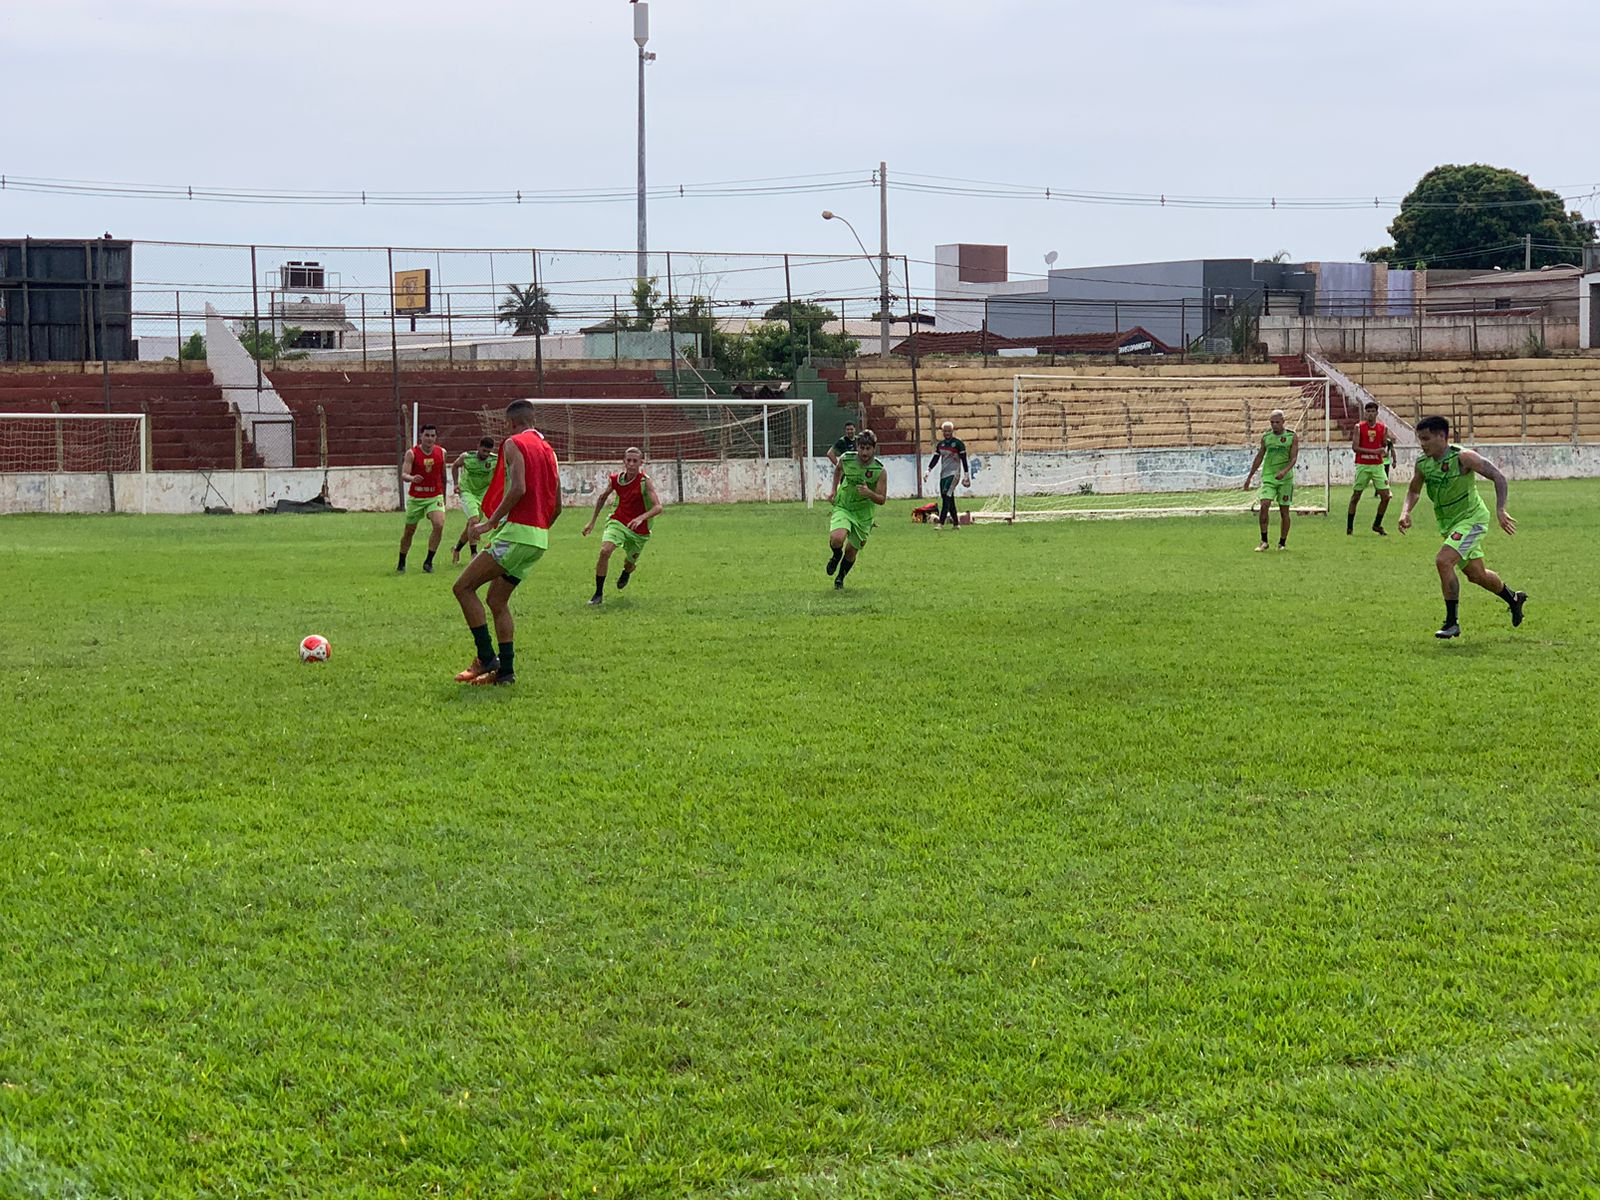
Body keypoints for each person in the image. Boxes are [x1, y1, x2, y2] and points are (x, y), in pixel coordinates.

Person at [450, 400, 562, 685]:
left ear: (510, 422)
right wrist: (537, 531)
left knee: (463, 587)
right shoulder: (550, 452)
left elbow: (519, 487)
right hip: (538, 540)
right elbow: (557, 506)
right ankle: (506, 673)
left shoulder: (513, 443)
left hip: (517, 535)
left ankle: (487, 658)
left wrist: (490, 523)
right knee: (496, 600)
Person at [1398, 415, 1527, 640]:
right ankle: (1514, 599)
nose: (1422, 443)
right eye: (1420, 439)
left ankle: (1451, 622)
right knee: (1476, 575)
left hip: (1473, 520)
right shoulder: (1423, 463)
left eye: (1426, 438)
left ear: (1441, 436)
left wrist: (1500, 509)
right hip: (1450, 524)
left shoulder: (1463, 457)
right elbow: (1414, 490)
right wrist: (1405, 511)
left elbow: (1497, 476)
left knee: (1443, 560)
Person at [582, 446, 665, 605]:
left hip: (639, 530)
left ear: (641, 462)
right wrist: (592, 522)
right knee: (605, 551)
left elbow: (658, 507)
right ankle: (598, 594)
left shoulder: (645, 481)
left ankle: (627, 571)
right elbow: (602, 498)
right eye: (629, 460)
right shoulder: (615, 480)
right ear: (624, 462)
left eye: (635, 461)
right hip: (618, 521)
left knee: (629, 563)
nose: (632, 464)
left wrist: (641, 517)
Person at [825, 429, 888, 589]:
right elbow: (838, 469)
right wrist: (834, 490)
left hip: (863, 514)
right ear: (857, 447)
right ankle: (835, 555)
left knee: (852, 551)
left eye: (868, 449)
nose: (864, 452)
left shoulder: (879, 470)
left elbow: (881, 499)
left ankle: (840, 577)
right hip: (844, 505)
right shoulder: (847, 459)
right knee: (837, 538)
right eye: (861, 448)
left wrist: (869, 493)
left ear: (874, 449)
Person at [1243, 408, 1300, 551]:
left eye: (1277, 422)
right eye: (1272, 422)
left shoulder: (1291, 437)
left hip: (1285, 479)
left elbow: (1293, 459)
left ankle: (1282, 543)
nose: (1274, 425)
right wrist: (1250, 476)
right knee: (1264, 505)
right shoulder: (1266, 437)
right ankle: (1264, 541)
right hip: (1269, 477)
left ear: (1283, 422)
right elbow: (1259, 457)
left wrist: (1284, 471)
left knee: (1284, 512)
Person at [397, 424, 447, 573]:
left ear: (436, 437)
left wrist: (444, 496)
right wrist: (412, 478)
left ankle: (428, 561)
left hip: (434, 496)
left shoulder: (442, 452)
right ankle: (401, 562)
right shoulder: (412, 453)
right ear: (421, 436)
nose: (430, 438)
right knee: (409, 531)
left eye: (432, 436)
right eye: (427, 435)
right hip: (416, 497)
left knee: (439, 524)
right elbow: (404, 475)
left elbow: (443, 476)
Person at [1348, 400, 1396, 536]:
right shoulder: (1359, 427)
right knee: (1355, 497)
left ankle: (1377, 525)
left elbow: (1383, 445)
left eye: (1372, 411)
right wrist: (1374, 452)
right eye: (1367, 411)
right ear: (1365, 413)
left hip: (1378, 466)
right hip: (1363, 465)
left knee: (1386, 497)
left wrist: (1385, 449)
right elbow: (1355, 448)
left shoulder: (1383, 428)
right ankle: (1350, 527)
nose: (1370, 414)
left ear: (1376, 413)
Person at [450, 436, 499, 565]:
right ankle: (474, 553)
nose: (486, 454)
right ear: (478, 447)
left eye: (488, 452)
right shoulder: (467, 457)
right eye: (484, 451)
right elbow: (455, 466)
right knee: (474, 520)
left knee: (471, 526)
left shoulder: (495, 460)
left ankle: (456, 549)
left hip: (484, 496)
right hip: (467, 492)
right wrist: (455, 484)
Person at [926, 420, 970, 528]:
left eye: (949, 431)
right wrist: (928, 470)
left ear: (952, 431)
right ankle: (956, 523)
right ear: (942, 432)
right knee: (948, 497)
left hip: (954, 474)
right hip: (944, 474)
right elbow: (935, 458)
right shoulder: (940, 445)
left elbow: (964, 459)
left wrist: (966, 475)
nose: (947, 433)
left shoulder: (958, 444)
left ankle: (941, 523)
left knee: (946, 495)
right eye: (945, 431)